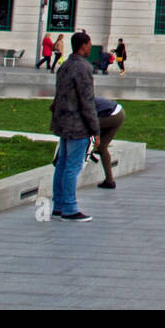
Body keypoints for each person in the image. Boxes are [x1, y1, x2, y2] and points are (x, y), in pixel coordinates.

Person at [49, 31, 100, 222]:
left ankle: (58, 206)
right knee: (72, 166)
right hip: (78, 125)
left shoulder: (65, 66)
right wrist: (95, 130)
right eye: (89, 44)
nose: (90, 47)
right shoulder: (83, 68)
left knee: (62, 164)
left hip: (63, 122)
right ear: (84, 45)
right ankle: (70, 208)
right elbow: (87, 101)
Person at [91, 96, 125, 189]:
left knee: (86, 126)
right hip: (119, 113)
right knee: (102, 147)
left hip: (113, 115)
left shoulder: (83, 102)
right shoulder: (84, 97)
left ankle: (84, 153)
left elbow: (92, 122)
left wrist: (96, 136)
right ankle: (109, 181)